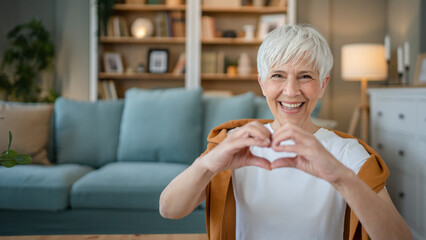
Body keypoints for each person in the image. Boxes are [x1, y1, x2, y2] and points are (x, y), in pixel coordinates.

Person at [159, 24, 412, 240]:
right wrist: (207, 165)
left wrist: (340, 177)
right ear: (262, 83)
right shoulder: (232, 144)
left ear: (323, 85)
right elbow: (169, 210)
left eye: (305, 76)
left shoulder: (348, 152)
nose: (291, 91)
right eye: (278, 75)